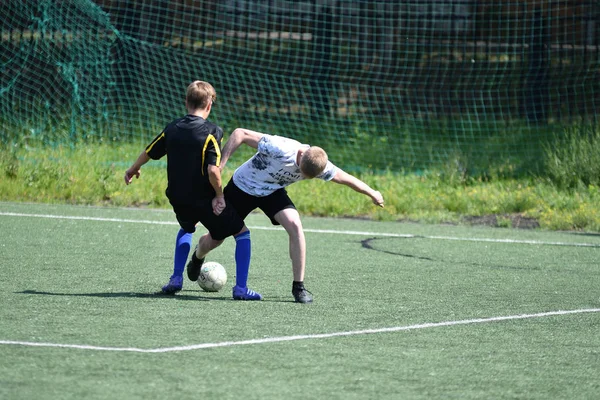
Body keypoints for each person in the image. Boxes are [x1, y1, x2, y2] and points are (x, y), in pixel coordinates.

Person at [124, 81, 262, 300]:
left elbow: (149, 151)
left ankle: (176, 278)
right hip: (205, 199)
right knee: (242, 233)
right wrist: (219, 195)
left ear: (186, 102)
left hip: (178, 197)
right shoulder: (212, 132)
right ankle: (241, 289)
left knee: (187, 228)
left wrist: (133, 169)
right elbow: (212, 171)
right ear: (209, 105)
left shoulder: (172, 128)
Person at [219, 128, 385, 304]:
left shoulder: (319, 163)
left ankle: (298, 287)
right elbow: (240, 134)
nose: (302, 176)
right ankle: (198, 256)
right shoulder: (280, 148)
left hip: (271, 192)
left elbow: (346, 178)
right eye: (301, 172)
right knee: (217, 237)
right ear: (300, 155)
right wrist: (220, 166)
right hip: (243, 186)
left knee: (295, 225)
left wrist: (372, 192)